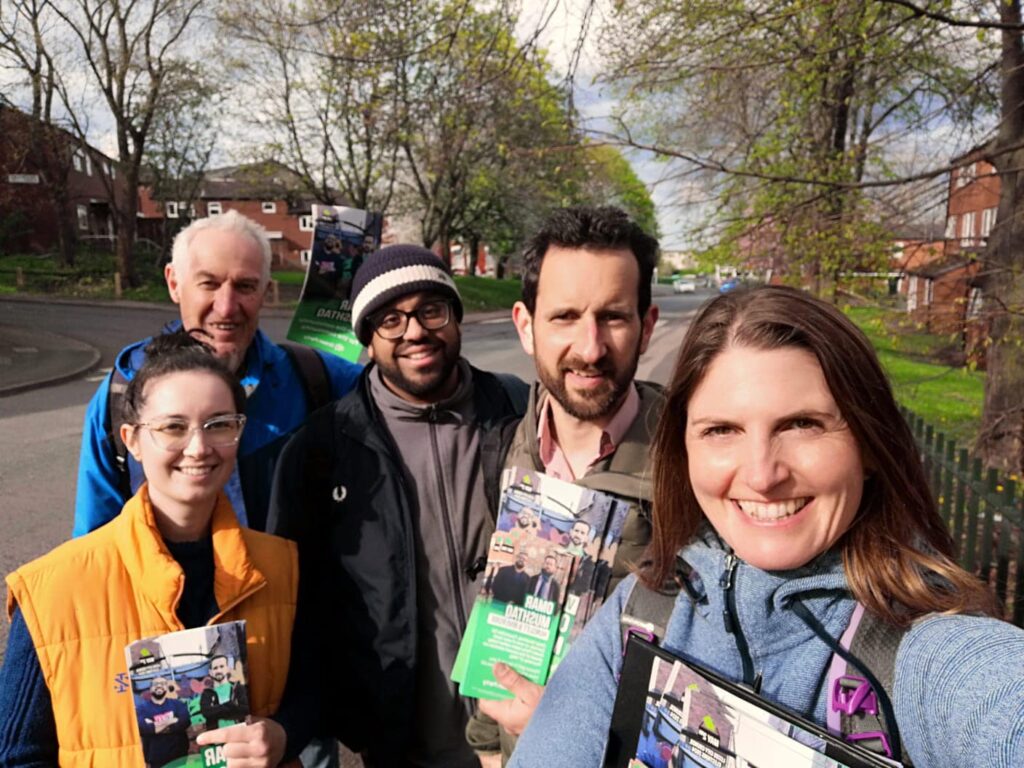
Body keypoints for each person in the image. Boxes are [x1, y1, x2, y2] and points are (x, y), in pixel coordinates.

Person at [508, 285, 1024, 767]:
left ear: (868, 444)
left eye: (802, 424)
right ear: (683, 449)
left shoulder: (923, 652)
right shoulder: (644, 611)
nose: (762, 474)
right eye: (721, 430)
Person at [267, 244, 529, 767]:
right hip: (401, 743)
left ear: (455, 317)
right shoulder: (321, 450)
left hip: (525, 730)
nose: (414, 331)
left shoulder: (518, 408)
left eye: (431, 309)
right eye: (390, 319)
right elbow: (299, 609)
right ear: (367, 339)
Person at [0, 332, 301, 767]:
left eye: (219, 424)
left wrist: (284, 732)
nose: (198, 448)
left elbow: (315, 690)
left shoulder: (283, 567)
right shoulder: (50, 592)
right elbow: (18, 756)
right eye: (173, 427)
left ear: (239, 432)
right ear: (133, 440)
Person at [468, 205, 664, 759]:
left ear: (647, 327)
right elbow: (492, 612)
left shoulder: (697, 465)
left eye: (613, 317)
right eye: (564, 317)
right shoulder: (503, 453)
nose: (590, 347)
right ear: (525, 326)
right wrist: (487, 748)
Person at [74, 209, 363, 536]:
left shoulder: (318, 379)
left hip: (288, 586)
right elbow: (95, 549)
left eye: (245, 286)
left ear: (266, 292)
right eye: (209, 284)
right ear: (174, 283)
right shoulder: (122, 391)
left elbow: (409, 397)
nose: (226, 307)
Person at [136, 676, 190, 766]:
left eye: (163, 684)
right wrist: (171, 721)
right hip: (155, 758)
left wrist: (154, 727)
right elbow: (143, 729)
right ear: (150, 689)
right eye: (155, 684)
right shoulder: (142, 709)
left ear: (166, 688)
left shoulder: (177, 704)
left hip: (179, 756)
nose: (159, 686)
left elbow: (185, 722)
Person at [200, 655, 249, 729]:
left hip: (239, 734)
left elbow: (244, 710)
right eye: (215, 668)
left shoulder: (238, 688)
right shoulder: (207, 693)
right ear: (210, 672)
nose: (219, 670)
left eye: (222, 666)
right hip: (217, 737)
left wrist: (217, 710)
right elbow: (207, 713)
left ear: (228, 668)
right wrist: (230, 705)